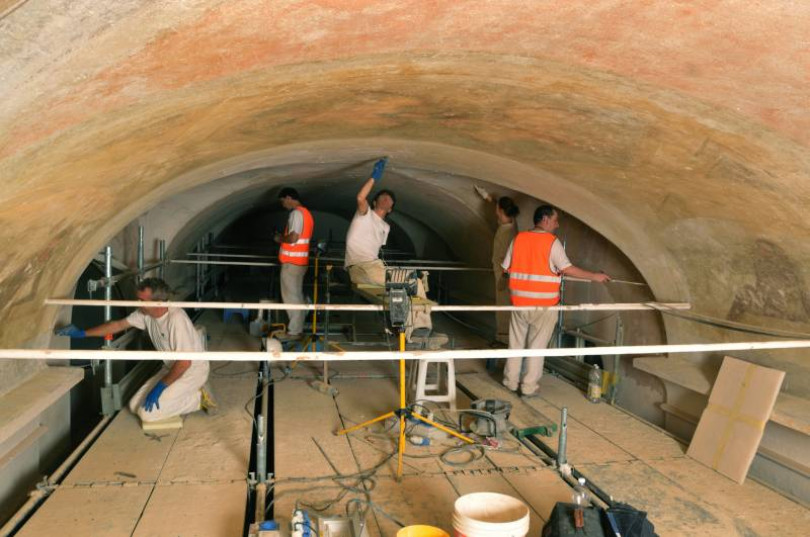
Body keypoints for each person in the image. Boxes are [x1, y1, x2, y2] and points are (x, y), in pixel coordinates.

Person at [54, 278, 215, 422]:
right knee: (134, 406)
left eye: (141, 300)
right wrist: (82, 333)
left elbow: (184, 363)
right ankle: (184, 394)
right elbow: (117, 325)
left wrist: (161, 386)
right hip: (171, 367)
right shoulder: (145, 313)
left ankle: (198, 398)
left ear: (158, 302)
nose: (137, 303)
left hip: (192, 370)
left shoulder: (176, 320)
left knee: (147, 414)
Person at [501, 205, 611, 396]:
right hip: (543, 307)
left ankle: (510, 382)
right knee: (536, 348)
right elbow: (567, 269)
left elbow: (505, 269)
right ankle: (527, 388)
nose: (557, 224)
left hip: (519, 304)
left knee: (515, 344)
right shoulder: (551, 242)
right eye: (555, 220)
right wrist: (595, 276)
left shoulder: (518, 239)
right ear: (544, 219)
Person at [344, 158, 437, 345]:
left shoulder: (385, 227)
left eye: (389, 199)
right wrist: (374, 177)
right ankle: (411, 330)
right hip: (360, 268)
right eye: (383, 196)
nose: (386, 198)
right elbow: (360, 198)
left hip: (374, 266)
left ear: (391, 207)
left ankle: (421, 328)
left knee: (416, 283)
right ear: (376, 201)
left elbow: (376, 250)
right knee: (409, 283)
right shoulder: (365, 214)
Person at [475, 185, 519, 345]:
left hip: (505, 275)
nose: (495, 212)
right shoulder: (511, 223)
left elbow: (512, 258)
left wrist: (504, 277)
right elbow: (501, 207)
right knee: (502, 305)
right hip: (501, 272)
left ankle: (504, 339)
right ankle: (502, 337)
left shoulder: (510, 233)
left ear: (500, 211)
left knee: (504, 306)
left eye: (497, 209)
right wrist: (487, 197)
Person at [274, 187, 314, 340]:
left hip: (292, 263)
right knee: (297, 295)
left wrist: (279, 238)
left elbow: (293, 238)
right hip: (300, 262)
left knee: (291, 297)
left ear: (289, 198)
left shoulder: (297, 213)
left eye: (283, 200)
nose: (283, 204)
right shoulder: (306, 214)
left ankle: (293, 332)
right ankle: (298, 327)